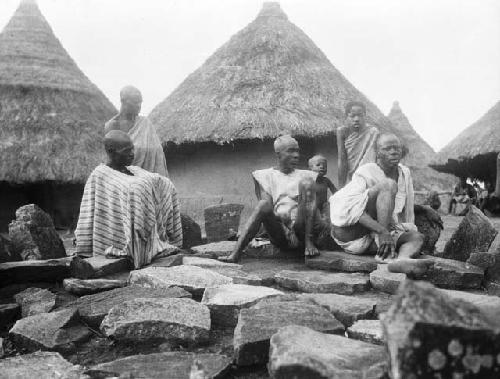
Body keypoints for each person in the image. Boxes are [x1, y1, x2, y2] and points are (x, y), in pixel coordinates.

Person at [75, 131, 182, 269]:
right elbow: (89, 212)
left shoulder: (134, 170)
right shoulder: (99, 175)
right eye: (127, 151)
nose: (132, 153)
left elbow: (159, 181)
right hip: (115, 237)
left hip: (149, 230)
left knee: (166, 183)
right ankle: (141, 248)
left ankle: (153, 243)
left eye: (132, 149)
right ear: (111, 151)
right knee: (138, 189)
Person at [330, 133, 435, 275]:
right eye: (387, 148)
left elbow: (394, 208)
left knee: (416, 237)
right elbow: (351, 209)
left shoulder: (405, 173)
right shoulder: (366, 172)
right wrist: (383, 231)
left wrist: (424, 208)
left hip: (374, 238)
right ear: (378, 152)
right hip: (352, 232)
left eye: (396, 148)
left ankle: (401, 260)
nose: (393, 151)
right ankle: (385, 244)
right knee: (388, 185)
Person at [219, 135, 333, 263]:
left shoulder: (307, 175)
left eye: (297, 151)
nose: (296, 155)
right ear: (278, 154)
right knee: (263, 205)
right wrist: (281, 217)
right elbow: (267, 209)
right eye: (290, 151)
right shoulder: (266, 176)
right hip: (281, 232)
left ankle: (309, 243)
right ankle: (236, 253)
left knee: (306, 183)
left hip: (303, 228)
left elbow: (317, 208)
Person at [105, 86, 169, 176]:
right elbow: (112, 158)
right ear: (123, 101)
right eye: (135, 101)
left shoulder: (145, 124)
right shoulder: (112, 126)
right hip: (124, 180)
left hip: (150, 181)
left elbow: (158, 157)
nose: (139, 105)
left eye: (140, 102)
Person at [337, 101, 379, 188]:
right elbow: (342, 160)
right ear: (346, 117)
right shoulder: (342, 132)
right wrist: (341, 187)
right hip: (352, 178)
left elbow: (376, 158)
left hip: (369, 177)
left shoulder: (373, 132)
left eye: (360, 115)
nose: (356, 119)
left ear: (365, 116)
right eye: (352, 116)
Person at [308, 154, 337, 220]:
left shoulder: (326, 180)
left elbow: (335, 192)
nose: (322, 167)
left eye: (325, 166)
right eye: (318, 165)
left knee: (326, 222)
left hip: (324, 207)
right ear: (310, 168)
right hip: (311, 208)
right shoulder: (308, 181)